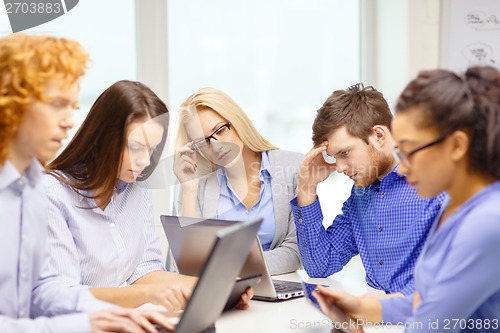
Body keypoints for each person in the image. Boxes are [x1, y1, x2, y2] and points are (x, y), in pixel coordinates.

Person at [0, 33, 172, 332]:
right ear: (10, 102)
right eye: (57, 104)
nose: (69, 121)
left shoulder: (27, 189)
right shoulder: (45, 192)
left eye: (73, 107)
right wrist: (87, 323)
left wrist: (108, 315)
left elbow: (44, 288)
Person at [314, 66, 500, 332]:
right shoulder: (458, 207)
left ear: (457, 146)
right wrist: (369, 309)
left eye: (410, 151)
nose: (401, 168)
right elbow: (431, 303)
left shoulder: (486, 223)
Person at [292, 84, 446, 295]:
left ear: (379, 136)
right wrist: (307, 188)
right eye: (334, 157)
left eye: (345, 153)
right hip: (379, 320)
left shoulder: (439, 185)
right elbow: (320, 265)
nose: (339, 168)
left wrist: (384, 308)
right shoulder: (360, 194)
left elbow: (451, 276)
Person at [173, 87, 303, 275]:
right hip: (222, 290)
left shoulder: (293, 167)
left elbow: (295, 251)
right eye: (202, 143)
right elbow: (189, 262)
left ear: (237, 121)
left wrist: (237, 266)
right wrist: (189, 192)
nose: (216, 146)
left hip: (279, 288)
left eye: (220, 130)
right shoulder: (196, 183)